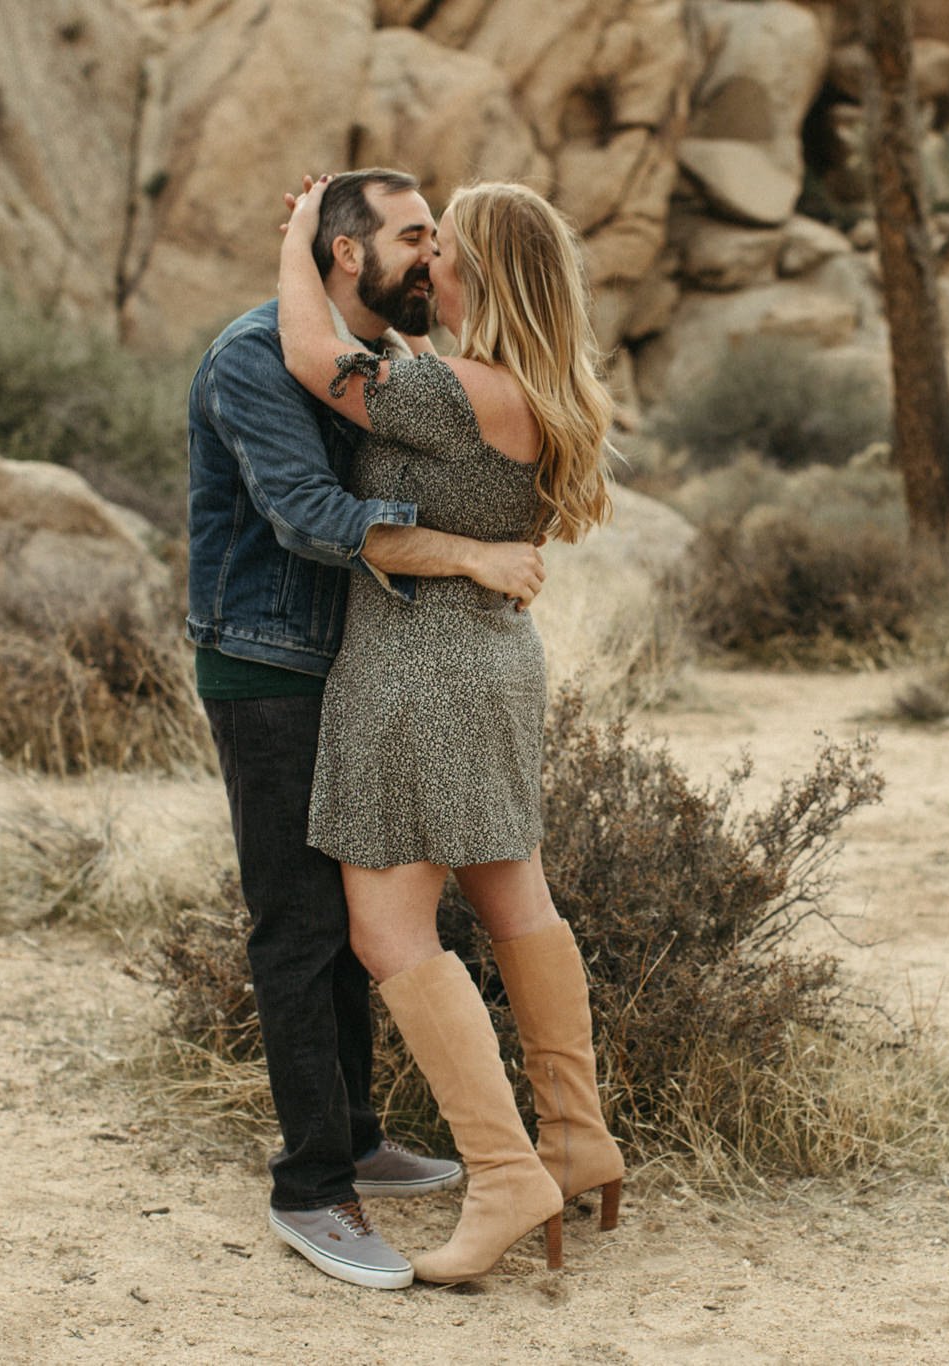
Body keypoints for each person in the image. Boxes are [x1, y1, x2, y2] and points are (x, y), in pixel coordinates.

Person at [185, 168, 551, 1292]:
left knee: (354, 920)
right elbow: (311, 516)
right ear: (349, 254)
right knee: (298, 925)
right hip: (267, 666)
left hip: (348, 670)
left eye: (438, 239)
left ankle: (353, 1135)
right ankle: (311, 1187)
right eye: (413, 236)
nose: (432, 257)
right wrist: (473, 555)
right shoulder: (256, 358)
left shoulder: (382, 360)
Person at [274, 173, 627, 1286]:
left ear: (484, 276)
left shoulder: (453, 394)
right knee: (516, 897)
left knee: (389, 931)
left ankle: (505, 1173)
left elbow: (309, 352)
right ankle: (574, 1138)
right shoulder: (538, 391)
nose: (428, 266)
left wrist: (304, 228)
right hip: (494, 663)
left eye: (445, 253)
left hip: (415, 669)